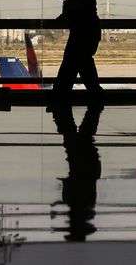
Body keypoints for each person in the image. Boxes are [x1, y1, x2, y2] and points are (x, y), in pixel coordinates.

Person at [50, 0, 102, 92]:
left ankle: (60, 102)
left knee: (71, 68)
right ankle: (94, 104)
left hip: (83, 32)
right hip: (87, 31)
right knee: (83, 68)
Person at [51, 102, 103, 241]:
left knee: (81, 134)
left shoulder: (84, 207)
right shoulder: (82, 206)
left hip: (87, 168)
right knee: (75, 135)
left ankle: (93, 107)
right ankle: (93, 106)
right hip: (84, 167)